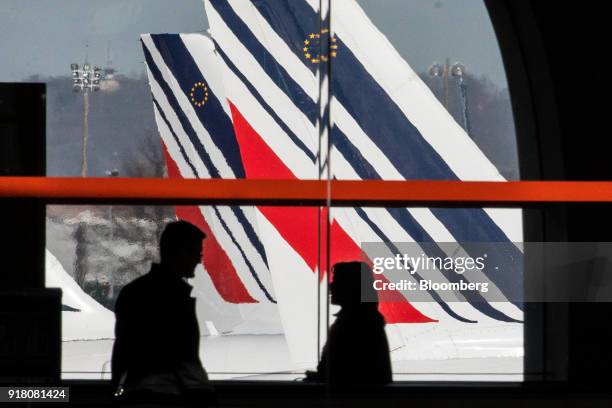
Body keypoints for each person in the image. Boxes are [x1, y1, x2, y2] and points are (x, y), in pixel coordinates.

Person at [111, 220, 214, 406]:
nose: (199, 260)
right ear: (181, 253)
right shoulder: (176, 299)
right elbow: (185, 359)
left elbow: (122, 352)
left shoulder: (133, 293)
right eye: (196, 253)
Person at [305, 261, 392, 387]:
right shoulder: (366, 322)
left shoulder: (354, 325)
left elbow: (343, 374)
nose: (331, 286)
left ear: (351, 287)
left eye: (337, 281)